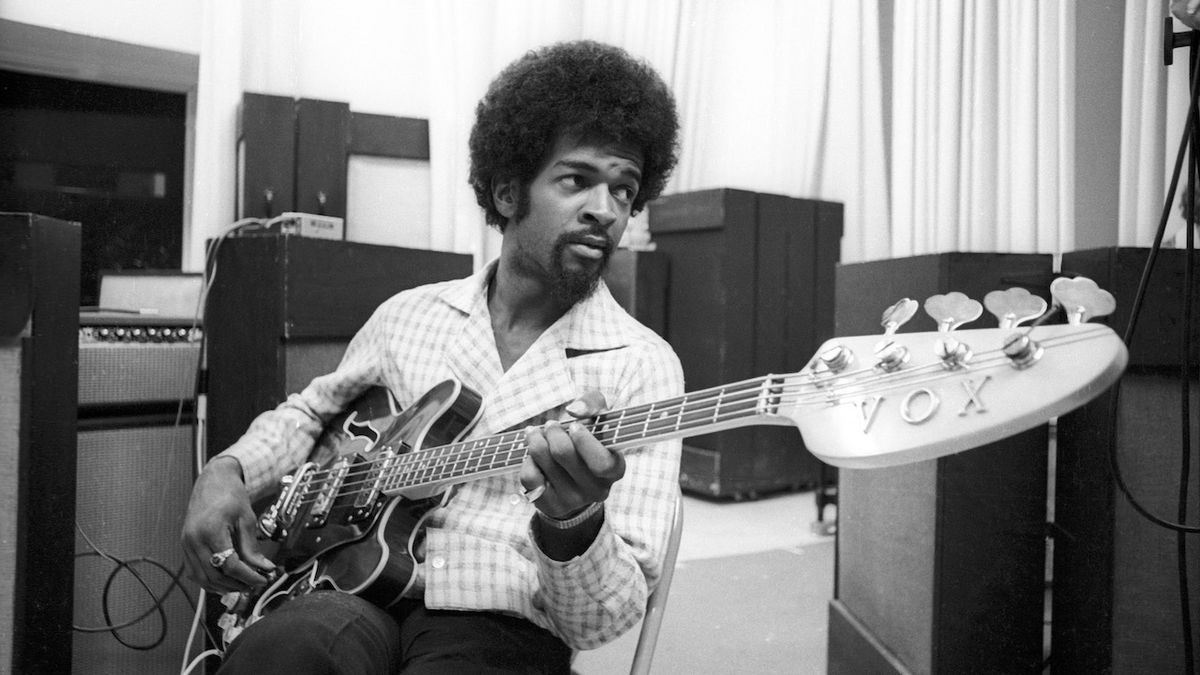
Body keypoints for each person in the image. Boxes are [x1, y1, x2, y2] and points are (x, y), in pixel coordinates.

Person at [181, 39, 683, 674]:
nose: (603, 211)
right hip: (343, 584)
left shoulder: (643, 365)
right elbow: (310, 412)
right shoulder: (409, 315)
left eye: (624, 189)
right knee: (281, 654)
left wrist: (572, 522)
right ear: (507, 193)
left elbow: (601, 620)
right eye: (577, 180)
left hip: (504, 615)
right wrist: (223, 472)